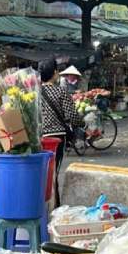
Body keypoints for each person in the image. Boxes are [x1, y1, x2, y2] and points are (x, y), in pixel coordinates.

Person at [39, 58, 83, 207]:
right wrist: (82, 124)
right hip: (56, 138)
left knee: (40, 171)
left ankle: (41, 203)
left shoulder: (34, 92)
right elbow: (72, 116)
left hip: (38, 137)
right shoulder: (60, 91)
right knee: (53, 172)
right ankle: (54, 205)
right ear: (55, 73)